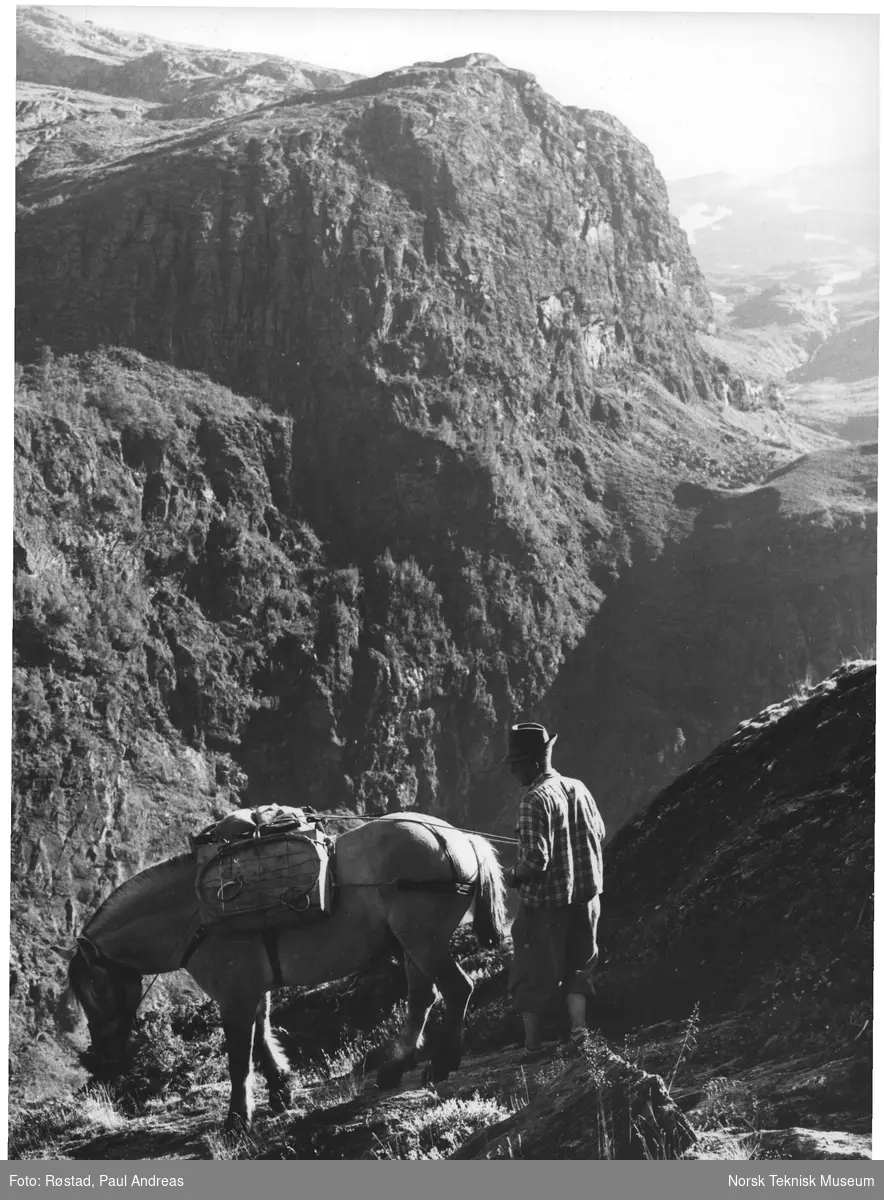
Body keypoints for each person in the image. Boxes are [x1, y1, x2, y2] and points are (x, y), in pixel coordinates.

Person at [504, 722, 606, 1062]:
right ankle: (579, 1033)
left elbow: (535, 859)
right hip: (587, 898)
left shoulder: (533, 801)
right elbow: (600, 833)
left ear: (533, 762)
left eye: (516, 764)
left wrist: (514, 875)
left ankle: (533, 1048)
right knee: (580, 967)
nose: (514, 770)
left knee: (531, 972)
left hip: (547, 906)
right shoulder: (579, 788)